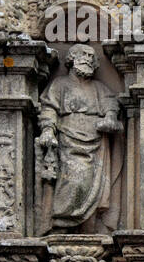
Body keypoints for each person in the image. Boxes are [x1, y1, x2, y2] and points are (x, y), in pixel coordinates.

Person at [38, 44, 121, 233]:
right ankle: (59, 227)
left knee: (93, 187)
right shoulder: (59, 85)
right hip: (67, 142)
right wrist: (48, 130)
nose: (88, 59)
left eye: (92, 56)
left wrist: (109, 118)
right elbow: (49, 108)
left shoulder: (100, 88)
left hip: (96, 144)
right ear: (71, 59)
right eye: (83, 55)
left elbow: (111, 105)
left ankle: (89, 230)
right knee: (72, 182)